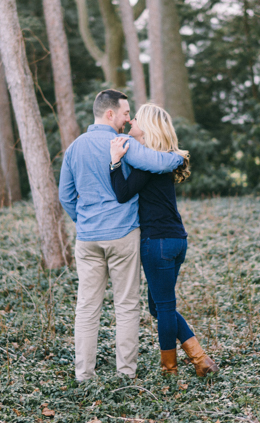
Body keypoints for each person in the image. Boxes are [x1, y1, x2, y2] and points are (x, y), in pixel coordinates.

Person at [58, 89, 184, 382]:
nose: (129, 120)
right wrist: (179, 157)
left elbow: (66, 197)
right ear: (110, 113)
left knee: (87, 308)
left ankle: (83, 375)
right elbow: (160, 163)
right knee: (126, 306)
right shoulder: (124, 144)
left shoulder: (74, 148)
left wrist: (84, 220)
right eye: (126, 113)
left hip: (87, 238)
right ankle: (126, 374)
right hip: (123, 235)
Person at [109, 103, 219, 377]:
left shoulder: (148, 163)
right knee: (159, 307)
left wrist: (115, 162)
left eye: (136, 119)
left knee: (165, 308)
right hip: (176, 240)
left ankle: (171, 370)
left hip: (157, 242)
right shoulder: (161, 160)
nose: (131, 121)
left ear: (146, 126)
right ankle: (201, 359)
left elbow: (122, 193)